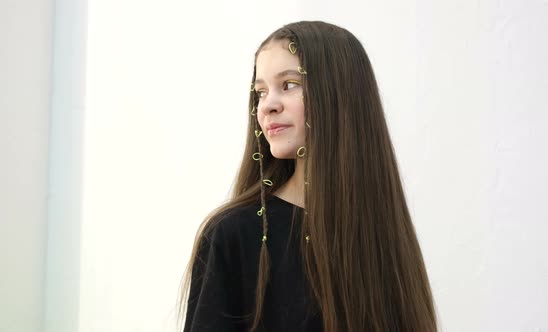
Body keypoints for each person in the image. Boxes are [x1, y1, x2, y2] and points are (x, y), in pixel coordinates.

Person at [178, 21, 438, 332]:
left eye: (288, 85)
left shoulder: (382, 237)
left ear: (338, 95)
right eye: (260, 92)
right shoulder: (232, 235)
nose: (267, 106)